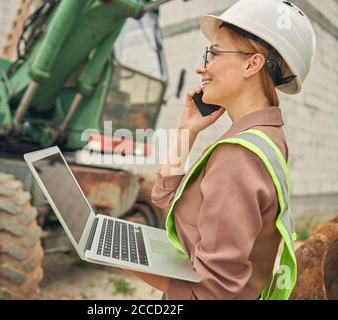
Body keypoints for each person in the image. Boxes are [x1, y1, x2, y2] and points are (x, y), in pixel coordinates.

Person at [125, 0, 316, 300]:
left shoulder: (239, 157)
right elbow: (165, 196)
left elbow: (212, 292)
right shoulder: (266, 137)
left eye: (213, 53)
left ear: (252, 64)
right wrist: (187, 131)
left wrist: (125, 261)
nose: (203, 66)